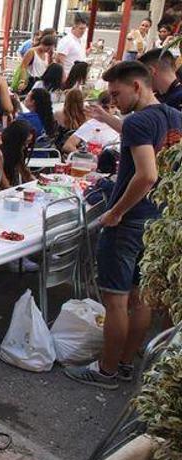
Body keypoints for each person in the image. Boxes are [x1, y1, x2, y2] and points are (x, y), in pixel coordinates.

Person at [64, 61, 182, 389]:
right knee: (140, 298)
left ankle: (105, 371)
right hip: (156, 221)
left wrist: (116, 212)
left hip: (129, 221)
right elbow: (151, 150)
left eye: (117, 93)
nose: (114, 99)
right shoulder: (173, 117)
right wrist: (109, 121)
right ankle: (127, 364)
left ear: (138, 87)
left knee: (114, 301)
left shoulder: (139, 121)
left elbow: (147, 174)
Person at [0, 119, 35, 188]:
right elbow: (3, 182)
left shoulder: (17, 151)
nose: (26, 146)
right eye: (25, 143)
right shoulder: (0, 152)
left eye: (29, 142)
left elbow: (26, 174)